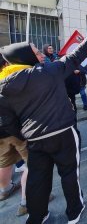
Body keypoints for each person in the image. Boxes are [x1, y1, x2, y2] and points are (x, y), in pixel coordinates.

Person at [0, 22, 87, 224]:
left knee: (38, 179)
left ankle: (37, 216)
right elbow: (74, 57)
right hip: (64, 132)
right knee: (69, 174)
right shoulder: (47, 71)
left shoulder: (4, 87)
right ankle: (74, 212)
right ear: (26, 58)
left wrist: (26, 134)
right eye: (37, 53)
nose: (42, 55)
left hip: (35, 140)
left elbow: (7, 122)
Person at [0, 54, 29, 216]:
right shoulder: (9, 80)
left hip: (0, 134)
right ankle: (27, 201)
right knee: (33, 164)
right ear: (5, 64)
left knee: (4, 162)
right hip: (15, 130)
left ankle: (5, 190)